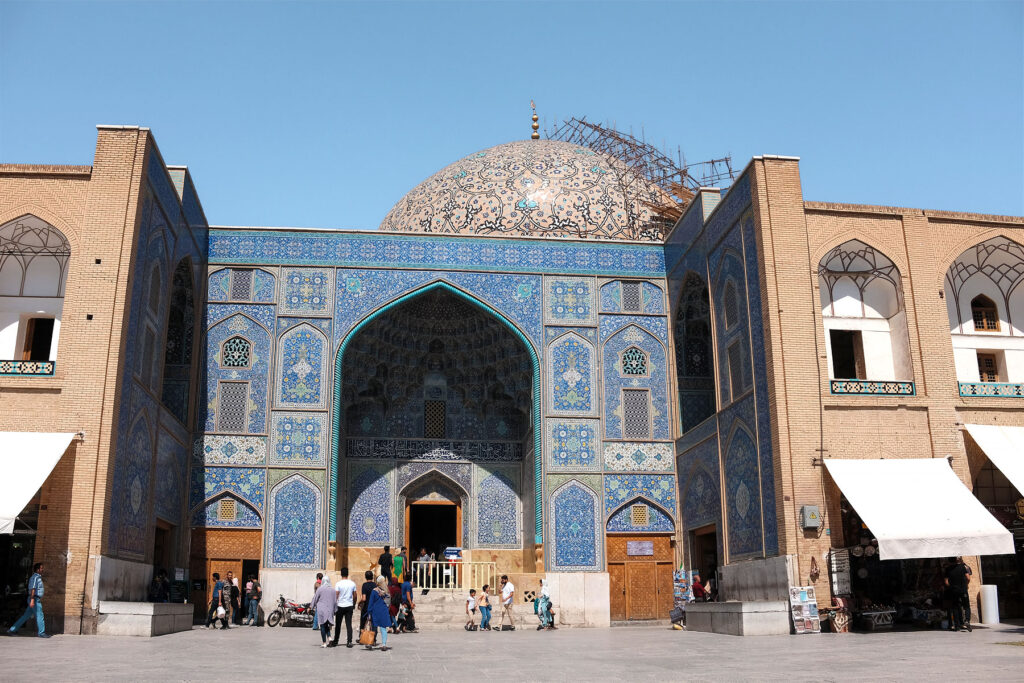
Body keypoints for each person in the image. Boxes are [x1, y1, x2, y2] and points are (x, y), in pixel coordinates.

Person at [7, 562, 49, 638]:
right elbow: (32, 588)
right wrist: (32, 600)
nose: (43, 570)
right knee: (40, 615)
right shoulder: (35, 577)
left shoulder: (38, 577)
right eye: (41, 568)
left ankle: (12, 630)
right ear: (37, 569)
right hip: (35, 599)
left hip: (34, 599)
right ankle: (41, 633)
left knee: (25, 616)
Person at [945, 556, 973, 632]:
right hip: (963, 590)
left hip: (954, 591)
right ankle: (967, 620)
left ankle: (957, 626)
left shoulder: (948, 569)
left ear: (949, 561)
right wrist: (966, 585)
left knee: (955, 607)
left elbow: (946, 582)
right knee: (966, 606)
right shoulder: (962, 567)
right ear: (956, 560)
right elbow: (968, 578)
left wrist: (951, 587)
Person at [330, 567, 357, 648]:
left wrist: (334, 605)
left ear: (341, 574)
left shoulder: (338, 584)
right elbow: (355, 595)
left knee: (338, 624)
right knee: (349, 624)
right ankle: (349, 641)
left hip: (340, 606)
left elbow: (336, 595)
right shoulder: (352, 583)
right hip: (349, 605)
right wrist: (353, 603)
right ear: (348, 574)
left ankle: (336, 641)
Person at [366, 576, 393, 651]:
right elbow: (389, 602)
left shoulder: (374, 591)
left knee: (373, 627)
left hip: (376, 611)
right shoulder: (387, 591)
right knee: (383, 628)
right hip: (384, 611)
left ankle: (371, 643)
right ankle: (384, 644)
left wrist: (369, 611)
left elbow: (371, 602)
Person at [311, 575, 335, 648]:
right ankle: (330, 638)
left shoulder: (320, 589)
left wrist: (311, 606)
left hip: (321, 609)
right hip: (330, 609)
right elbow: (335, 601)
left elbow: (315, 598)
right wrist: (335, 610)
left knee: (322, 625)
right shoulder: (333, 590)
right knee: (326, 624)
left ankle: (324, 643)